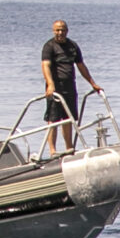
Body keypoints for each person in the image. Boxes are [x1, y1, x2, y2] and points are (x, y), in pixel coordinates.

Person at [40, 19, 103, 156]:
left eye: (63, 30)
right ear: (53, 31)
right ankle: (52, 151)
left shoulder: (72, 46)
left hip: (70, 86)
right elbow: (45, 66)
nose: (60, 33)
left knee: (68, 118)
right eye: (57, 30)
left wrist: (92, 83)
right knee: (53, 119)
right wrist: (50, 84)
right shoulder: (49, 46)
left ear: (67, 31)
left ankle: (69, 148)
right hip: (55, 88)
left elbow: (81, 66)